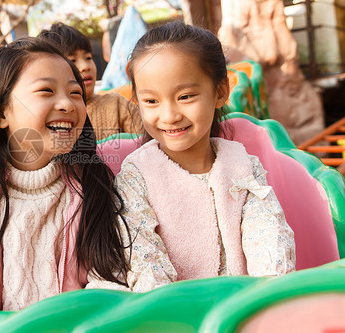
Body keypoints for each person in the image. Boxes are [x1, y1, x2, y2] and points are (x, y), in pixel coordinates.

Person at [0, 38, 130, 324]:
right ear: (2, 112)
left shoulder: (95, 186)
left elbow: (110, 280)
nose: (67, 103)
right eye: (46, 91)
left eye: (75, 92)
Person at [116, 21, 295, 292]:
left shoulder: (243, 164)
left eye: (185, 96)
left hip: (244, 306)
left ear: (220, 92)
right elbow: (142, 257)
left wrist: (267, 295)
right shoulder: (136, 175)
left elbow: (270, 236)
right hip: (171, 315)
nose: (169, 116)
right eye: (151, 101)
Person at [38, 23, 142, 141]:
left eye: (88, 57)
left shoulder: (117, 104)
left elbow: (147, 143)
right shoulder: (52, 116)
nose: (85, 66)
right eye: (72, 60)